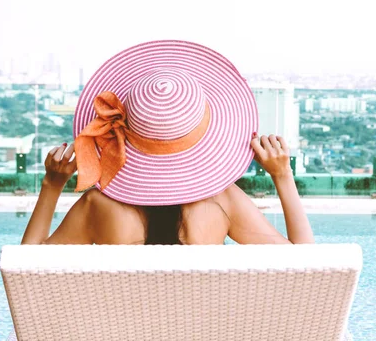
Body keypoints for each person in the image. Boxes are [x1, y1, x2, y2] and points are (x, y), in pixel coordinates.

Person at [21, 40, 313, 246]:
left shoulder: (98, 205)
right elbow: (308, 266)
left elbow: (25, 273)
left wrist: (52, 185)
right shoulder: (222, 201)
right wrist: (282, 176)